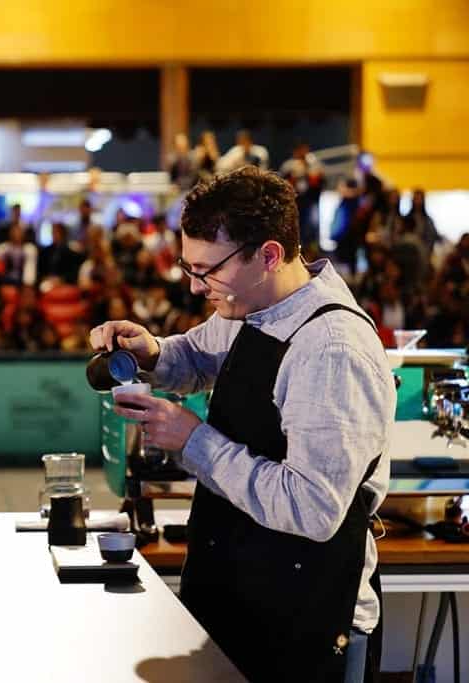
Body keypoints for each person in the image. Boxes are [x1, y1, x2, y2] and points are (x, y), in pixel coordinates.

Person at [90, 167, 394, 682]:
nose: (194, 285)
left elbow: (312, 509)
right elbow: (199, 355)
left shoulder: (331, 349)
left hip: (308, 620)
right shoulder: (252, 305)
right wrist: (152, 353)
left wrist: (193, 441)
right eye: (188, 267)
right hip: (242, 601)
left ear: (269, 255)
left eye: (207, 270)